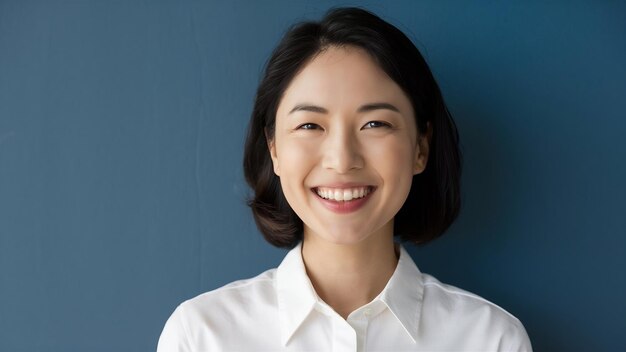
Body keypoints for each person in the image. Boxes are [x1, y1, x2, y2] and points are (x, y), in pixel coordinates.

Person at [157, 6, 532, 351]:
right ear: (274, 149)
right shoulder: (201, 335)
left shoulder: (491, 339)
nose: (342, 159)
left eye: (375, 124)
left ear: (421, 147)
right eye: (309, 125)